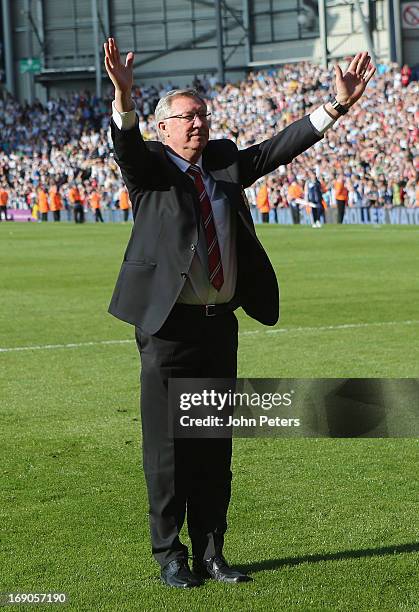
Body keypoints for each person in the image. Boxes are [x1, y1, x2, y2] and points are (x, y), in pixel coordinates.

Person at [103, 37, 375, 588]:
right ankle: (169, 555)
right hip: (167, 329)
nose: (198, 123)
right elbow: (126, 149)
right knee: (167, 450)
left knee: (212, 446)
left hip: (217, 327)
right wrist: (124, 99)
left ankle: (211, 552)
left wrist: (336, 105)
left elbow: (276, 149)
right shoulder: (151, 167)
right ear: (163, 127)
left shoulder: (224, 164)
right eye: (186, 117)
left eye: (202, 114)